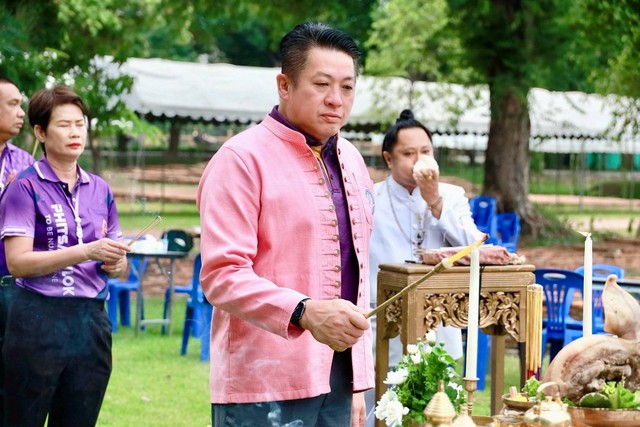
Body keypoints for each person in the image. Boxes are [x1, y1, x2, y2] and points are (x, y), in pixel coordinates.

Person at [197, 22, 375, 427]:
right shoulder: (241, 159)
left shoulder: (352, 160)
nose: (336, 99)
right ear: (284, 85)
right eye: (322, 84)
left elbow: (358, 272)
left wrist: (358, 383)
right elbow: (222, 275)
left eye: (347, 87)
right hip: (263, 380)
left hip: (341, 377)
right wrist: (304, 311)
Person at [0, 85, 130, 426]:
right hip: (36, 319)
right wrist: (85, 251)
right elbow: (18, 263)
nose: (75, 132)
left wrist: (116, 262)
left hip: (91, 321)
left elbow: (120, 268)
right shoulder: (24, 187)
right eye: (64, 124)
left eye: (80, 123)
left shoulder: (100, 189)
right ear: (40, 132)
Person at [365, 110, 483, 423]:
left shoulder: (452, 195)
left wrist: (436, 202)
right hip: (384, 324)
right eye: (408, 154)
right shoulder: (369, 198)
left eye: (425, 151)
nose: (419, 160)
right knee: (381, 413)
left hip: (439, 325)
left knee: (438, 414)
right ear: (388, 159)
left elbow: (474, 248)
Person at [0, 76, 35, 426]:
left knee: (13, 380)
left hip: (14, 287)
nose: (21, 112)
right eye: (12, 104)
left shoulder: (25, 163)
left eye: (21, 105)